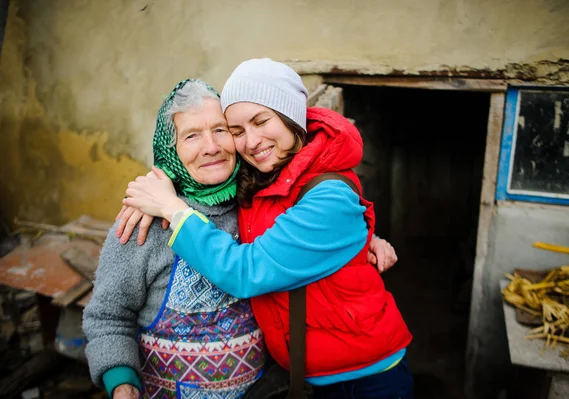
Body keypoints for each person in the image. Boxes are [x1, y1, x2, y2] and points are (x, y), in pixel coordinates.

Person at [123, 58, 413, 399]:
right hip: (304, 376)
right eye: (237, 131)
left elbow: (247, 271)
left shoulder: (327, 195)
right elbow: (209, 169)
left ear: (290, 116)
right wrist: (163, 179)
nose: (252, 141)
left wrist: (173, 210)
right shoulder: (265, 176)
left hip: (365, 380)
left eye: (262, 121)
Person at [82, 79, 266, 399]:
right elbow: (108, 316)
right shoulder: (145, 221)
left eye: (220, 130)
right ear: (171, 149)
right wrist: (122, 384)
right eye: (192, 135)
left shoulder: (259, 202)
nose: (211, 146)